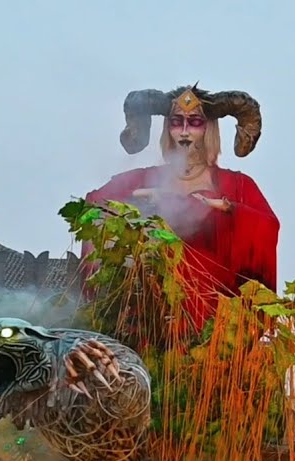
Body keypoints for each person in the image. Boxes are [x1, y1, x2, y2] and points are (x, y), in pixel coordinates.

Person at [85, 84, 280, 327]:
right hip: (148, 318)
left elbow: (267, 227)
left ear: (208, 128)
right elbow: (94, 208)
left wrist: (227, 209)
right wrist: (138, 199)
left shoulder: (238, 186)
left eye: (195, 122)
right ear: (167, 128)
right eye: (177, 122)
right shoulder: (140, 179)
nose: (184, 132)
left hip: (214, 321)